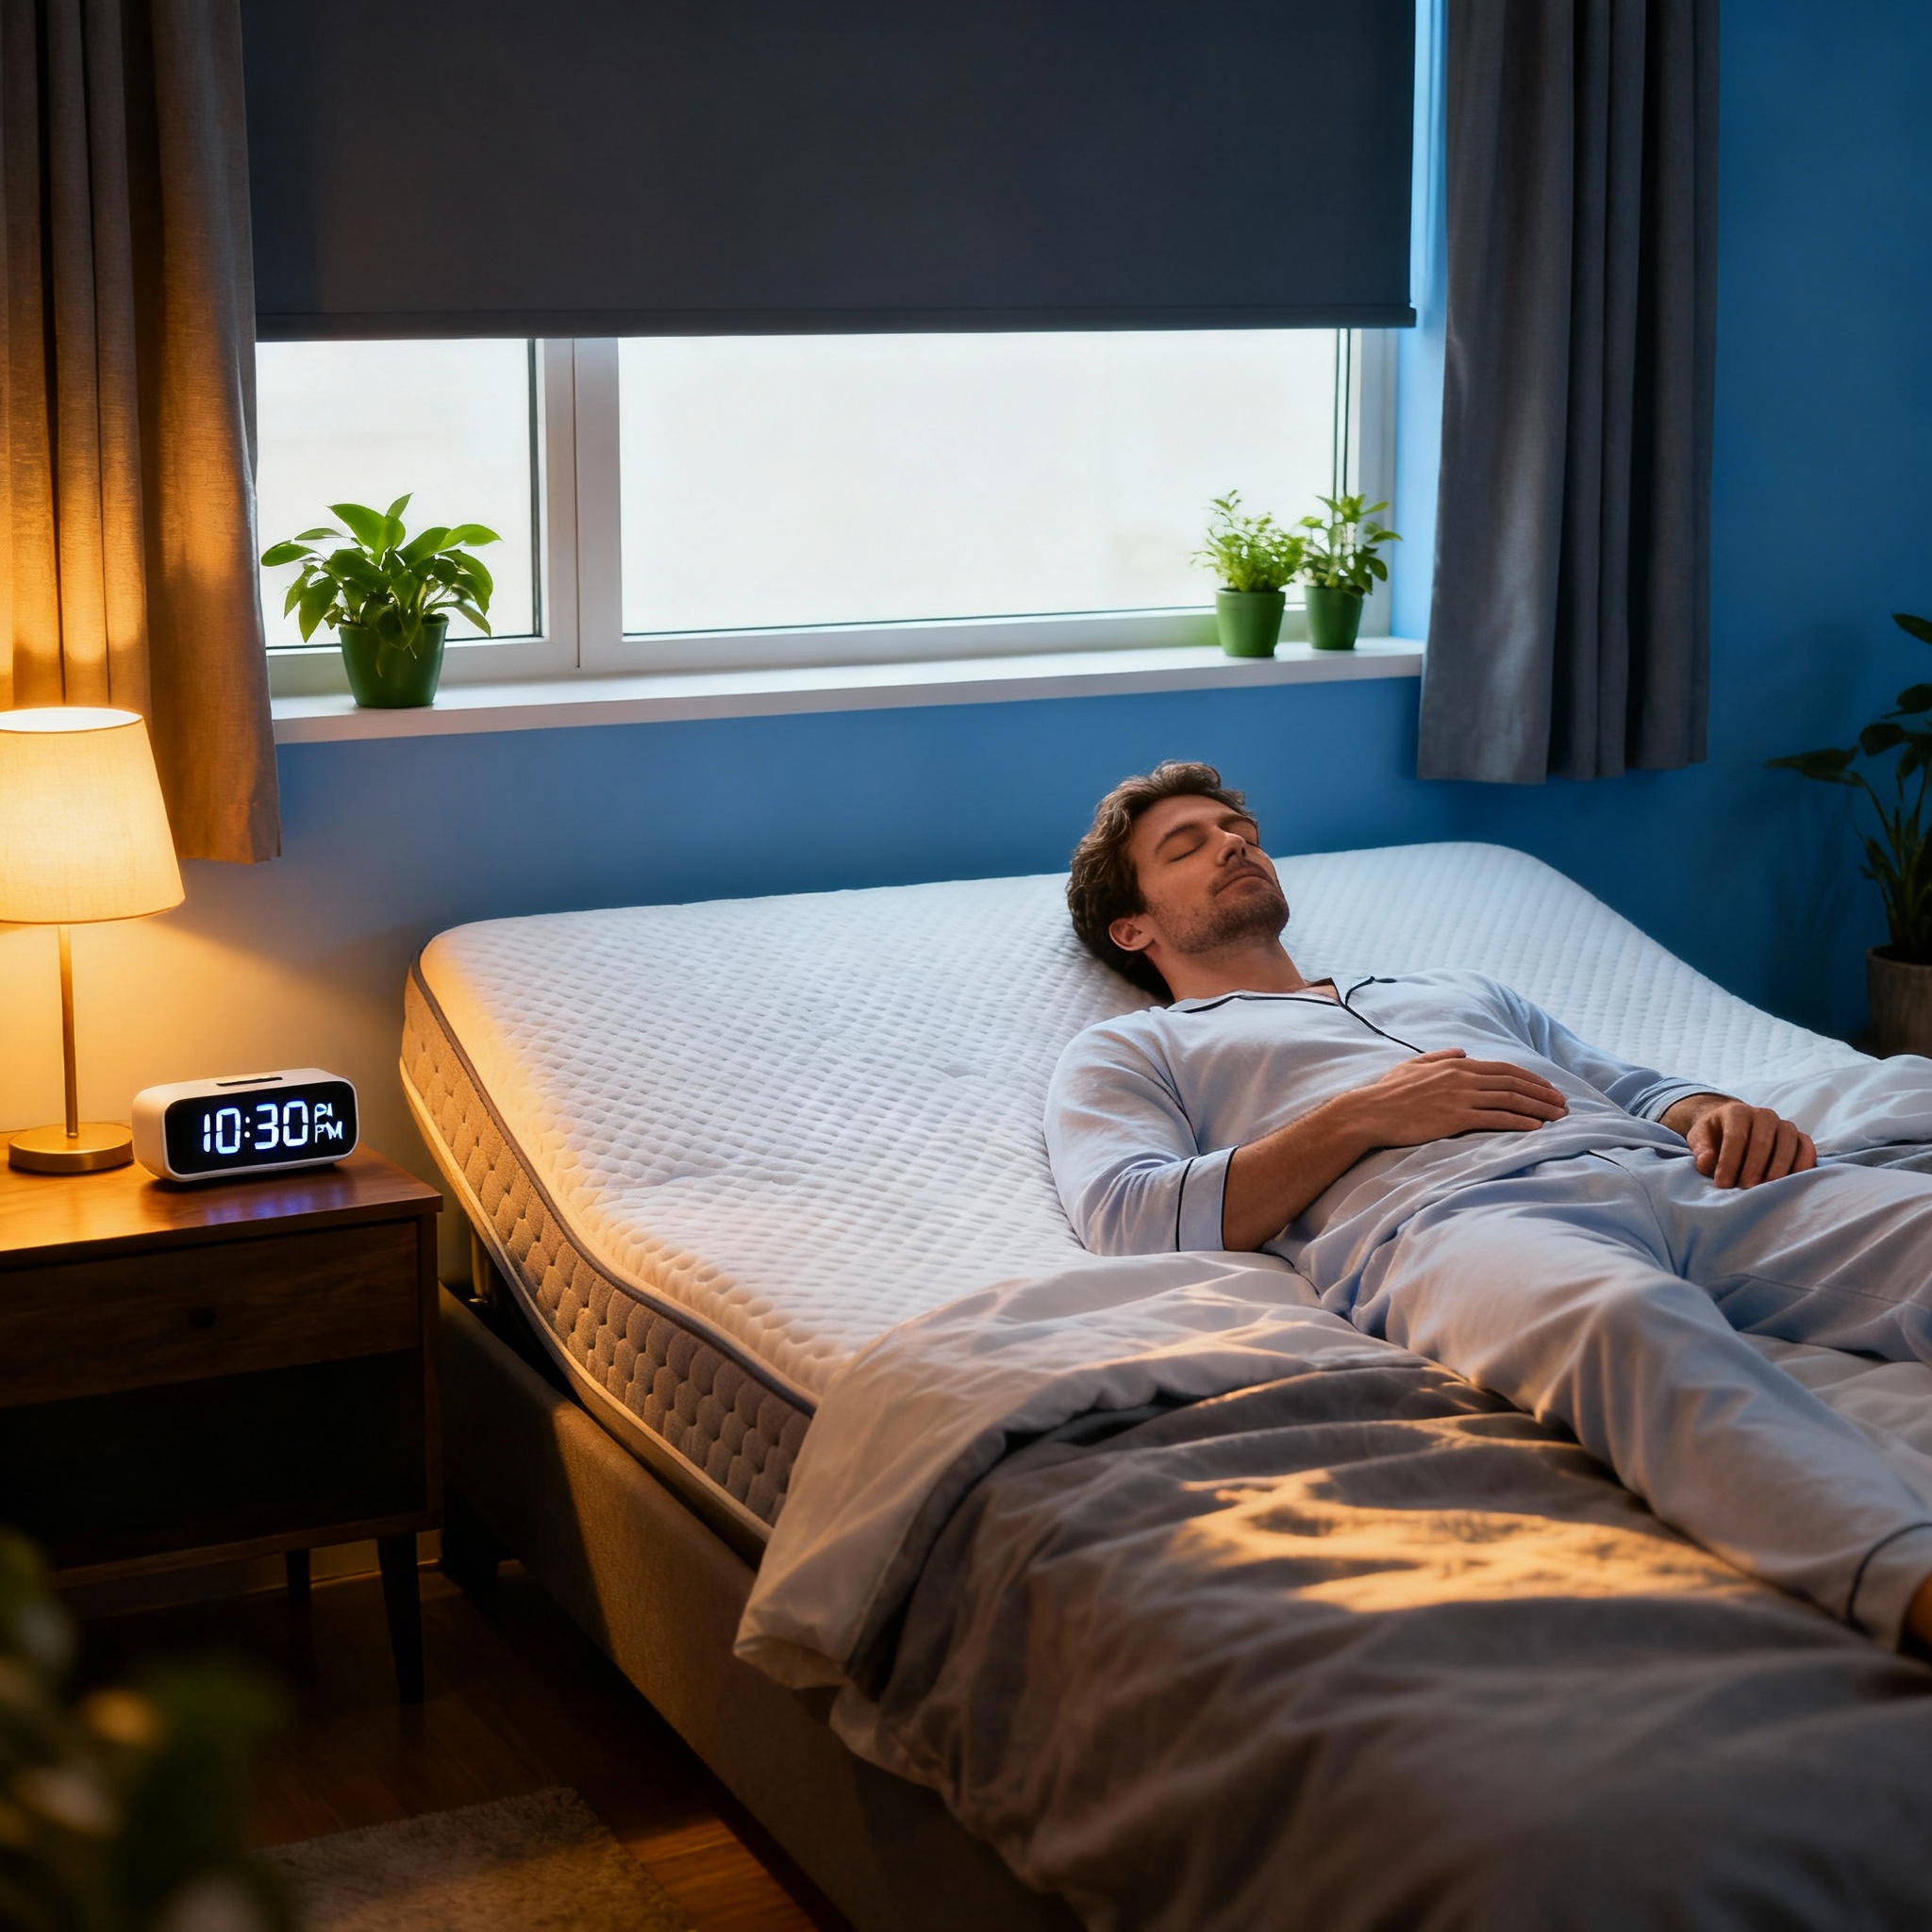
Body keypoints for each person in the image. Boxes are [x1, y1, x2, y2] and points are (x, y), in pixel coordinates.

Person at [1046, 761, 1932, 1650]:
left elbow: (1630, 1084)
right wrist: (1360, 1117)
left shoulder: (1453, 990)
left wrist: (1710, 1110)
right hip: (1462, 1223)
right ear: (1132, 927)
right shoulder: (1133, 1047)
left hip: (1674, 1174)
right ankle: (1904, 1576)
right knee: (1619, 1322)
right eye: (1186, 846)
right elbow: (1127, 1213)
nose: (1233, 844)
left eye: (1238, 830)